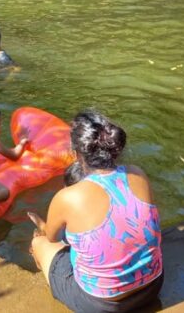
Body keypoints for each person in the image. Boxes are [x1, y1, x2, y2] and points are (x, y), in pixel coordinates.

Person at [28, 111, 163, 312]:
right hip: (153, 286)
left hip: (102, 304)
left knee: (39, 243)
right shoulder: (137, 173)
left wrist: (42, 227)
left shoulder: (68, 196)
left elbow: (52, 238)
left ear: (75, 154)